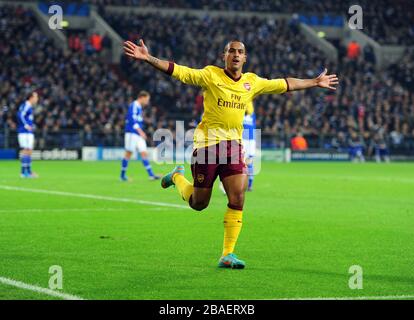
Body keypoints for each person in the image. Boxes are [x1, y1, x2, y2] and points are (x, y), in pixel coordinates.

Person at [123, 39, 338, 269]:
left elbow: (285, 84)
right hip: (207, 146)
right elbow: (180, 72)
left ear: (245, 58)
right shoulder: (210, 75)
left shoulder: (252, 82)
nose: (236, 55)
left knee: (238, 198)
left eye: (240, 52)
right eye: (231, 51)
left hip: (234, 147)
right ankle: (177, 177)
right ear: (224, 56)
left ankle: (227, 254)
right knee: (199, 203)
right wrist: (148, 58)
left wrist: (315, 82)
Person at [120, 91, 160, 181]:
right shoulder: (134, 105)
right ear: (142, 97)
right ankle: (122, 175)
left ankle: (151, 175)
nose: (147, 102)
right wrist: (141, 131)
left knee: (143, 152)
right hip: (131, 133)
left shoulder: (139, 107)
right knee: (128, 153)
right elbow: (132, 120)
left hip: (138, 134)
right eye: (147, 99)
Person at [17, 91, 39, 178]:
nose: (37, 99)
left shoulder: (29, 106)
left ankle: (27, 172)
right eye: (36, 97)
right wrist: (26, 125)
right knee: (26, 150)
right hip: (24, 132)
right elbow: (20, 114)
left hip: (27, 132)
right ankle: (24, 172)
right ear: (31, 97)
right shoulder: (26, 105)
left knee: (29, 151)